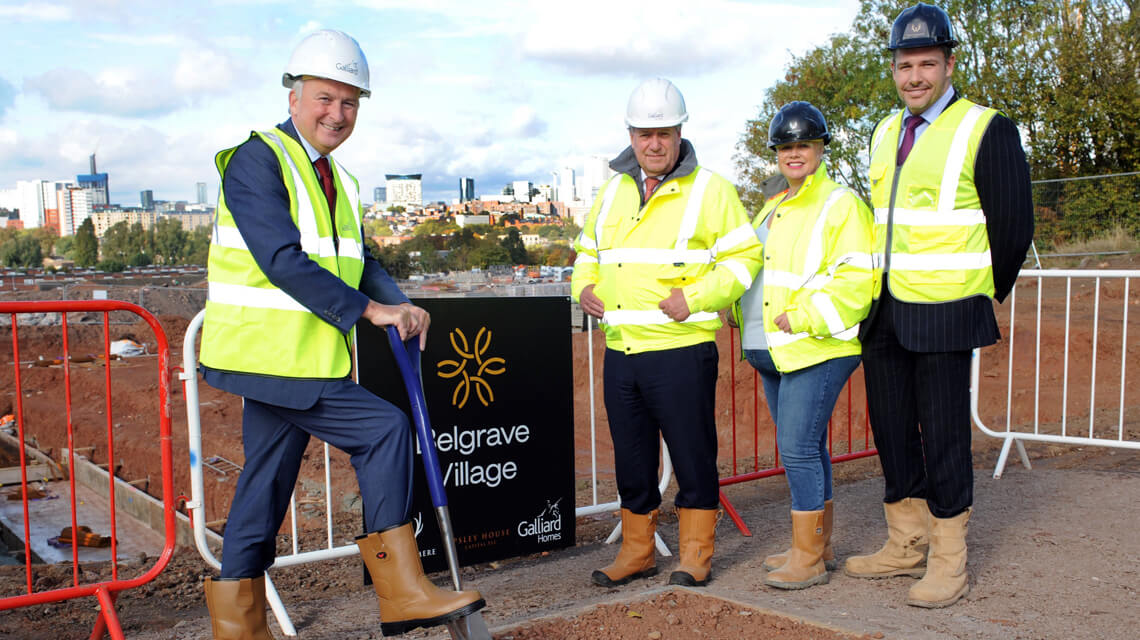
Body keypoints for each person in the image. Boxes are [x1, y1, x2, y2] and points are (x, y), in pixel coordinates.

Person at [198, 29, 483, 638]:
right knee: (385, 430)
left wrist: (399, 303)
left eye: (350, 103)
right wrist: (366, 313)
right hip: (271, 357)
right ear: (295, 96)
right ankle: (402, 593)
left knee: (266, 485)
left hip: (299, 360)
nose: (338, 113)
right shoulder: (258, 160)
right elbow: (280, 258)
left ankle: (236, 630)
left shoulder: (338, 180)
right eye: (326, 98)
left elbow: (361, 261)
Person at [846, 3, 1034, 608]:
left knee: (946, 436)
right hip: (886, 311)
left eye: (928, 63)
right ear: (894, 70)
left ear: (949, 64)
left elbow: (1012, 227)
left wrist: (974, 290)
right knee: (893, 432)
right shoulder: (881, 131)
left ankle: (949, 559)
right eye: (905, 65)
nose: (915, 77)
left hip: (946, 311)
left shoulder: (986, 128)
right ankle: (906, 542)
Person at [571, 78, 762, 588]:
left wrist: (696, 298)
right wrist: (582, 286)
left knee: (693, 455)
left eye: (663, 133)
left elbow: (745, 260)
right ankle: (637, 553)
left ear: (680, 133)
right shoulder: (612, 191)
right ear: (630, 135)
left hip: (681, 351)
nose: (653, 144)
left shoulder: (711, 190)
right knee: (632, 461)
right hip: (622, 351)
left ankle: (695, 553)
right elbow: (586, 253)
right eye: (643, 134)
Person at [729, 102, 873, 590]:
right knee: (807, 446)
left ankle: (808, 559)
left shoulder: (840, 204)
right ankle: (816, 545)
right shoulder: (774, 204)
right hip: (773, 347)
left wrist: (805, 316)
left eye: (804, 144)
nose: (794, 153)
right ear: (776, 154)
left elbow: (855, 279)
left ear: (820, 148)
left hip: (816, 344)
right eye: (786, 146)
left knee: (796, 449)